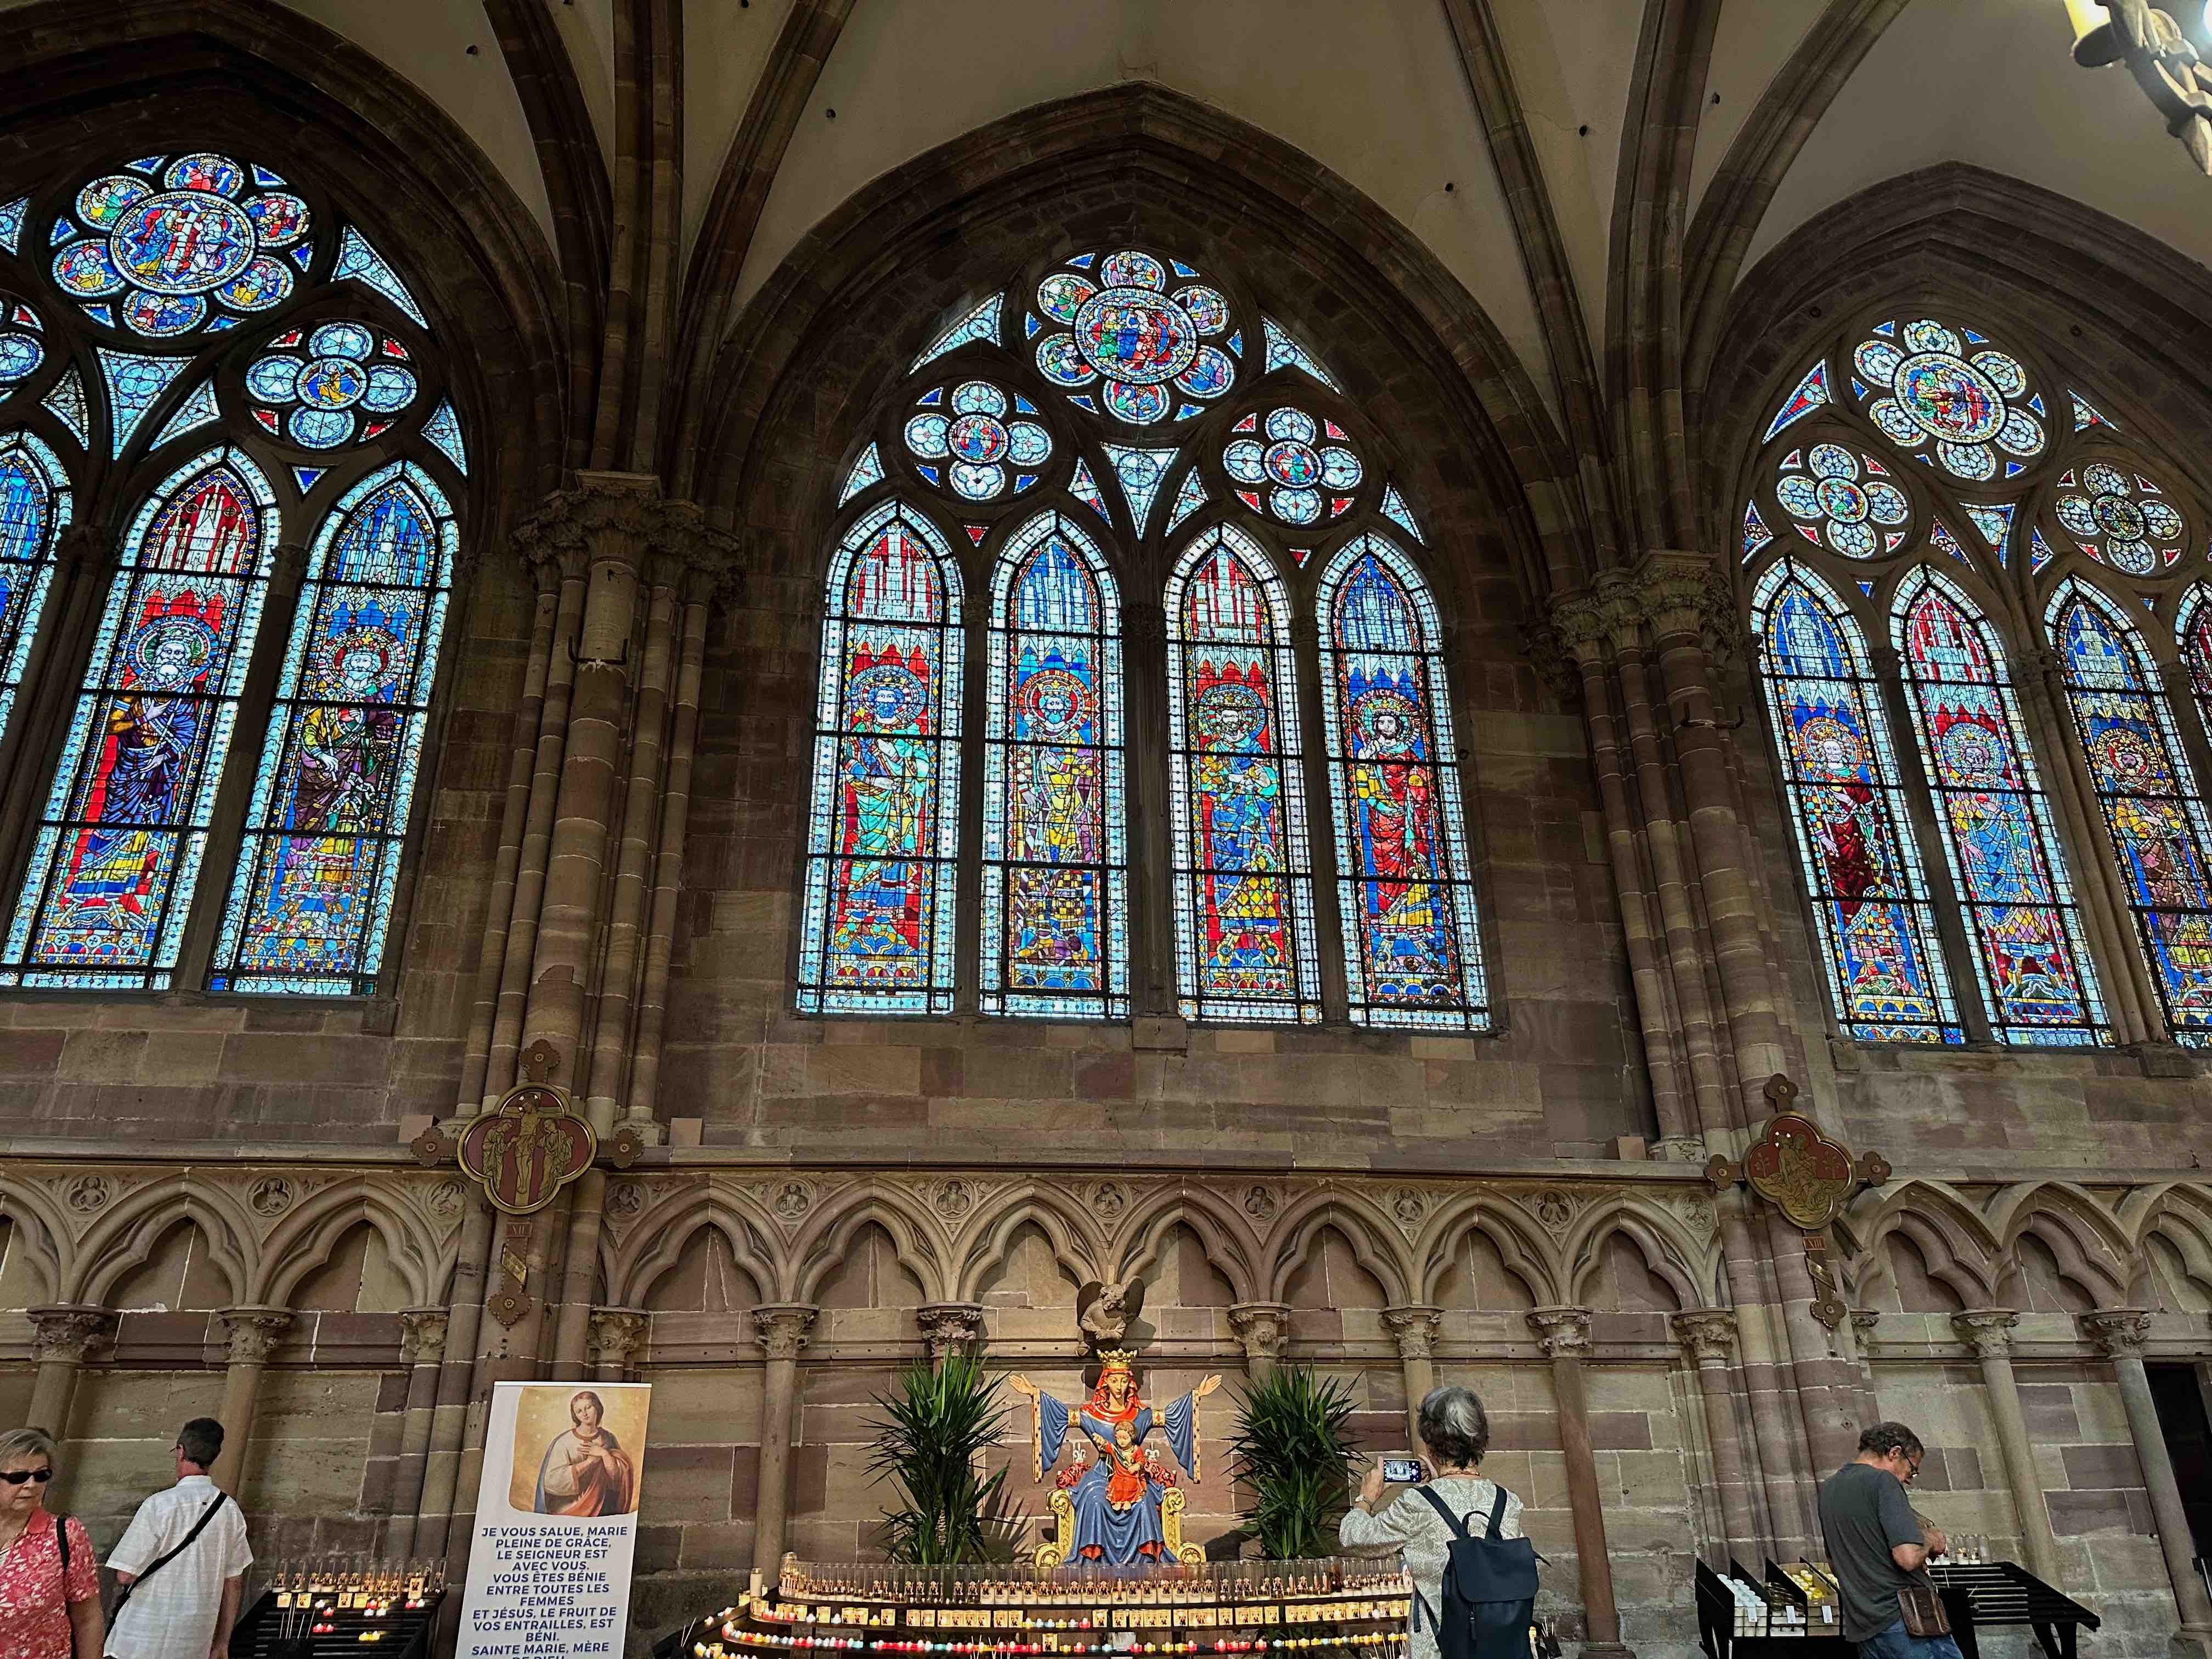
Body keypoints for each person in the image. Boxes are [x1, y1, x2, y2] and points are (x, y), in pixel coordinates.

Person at [1339, 1386, 1523, 1659]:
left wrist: (1366, 1497)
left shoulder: (1419, 1503)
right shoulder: (1507, 1501)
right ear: (1481, 1440)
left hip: (1439, 1648)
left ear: (1429, 1443)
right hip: (1503, 1645)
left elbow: (1354, 1538)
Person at [104, 1418, 251, 1659]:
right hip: (195, 1640)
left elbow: (125, 1574)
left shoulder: (159, 1504)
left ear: (181, 1451)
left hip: (141, 1637)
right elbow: (233, 1582)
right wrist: (222, 1642)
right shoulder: (230, 1511)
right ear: (216, 1455)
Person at [1817, 1421, 1957, 1659]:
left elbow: (1834, 1563)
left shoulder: (1829, 1489)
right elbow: (1907, 1557)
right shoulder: (1883, 1482)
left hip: (1864, 1625)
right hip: (1905, 1621)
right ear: (1895, 1453)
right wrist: (1932, 1540)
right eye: (1911, 1470)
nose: (1909, 1479)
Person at [0, 1427, 103, 1659]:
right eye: (18, 1477)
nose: (32, 1485)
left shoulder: (64, 1535)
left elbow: (87, 1618)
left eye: (41, 1475)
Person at [533, 1391, 639, 1517]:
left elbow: (618, 1480)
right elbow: (551, 1482)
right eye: (579, 1411)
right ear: (575, 1416)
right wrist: (588, 1463)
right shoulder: (564, 1442)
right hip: (569, 1510)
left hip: (602, 1507)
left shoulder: (608, 1438)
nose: (584, 1414)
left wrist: (605, 1455)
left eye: (588, 1407)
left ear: (597, 1408)